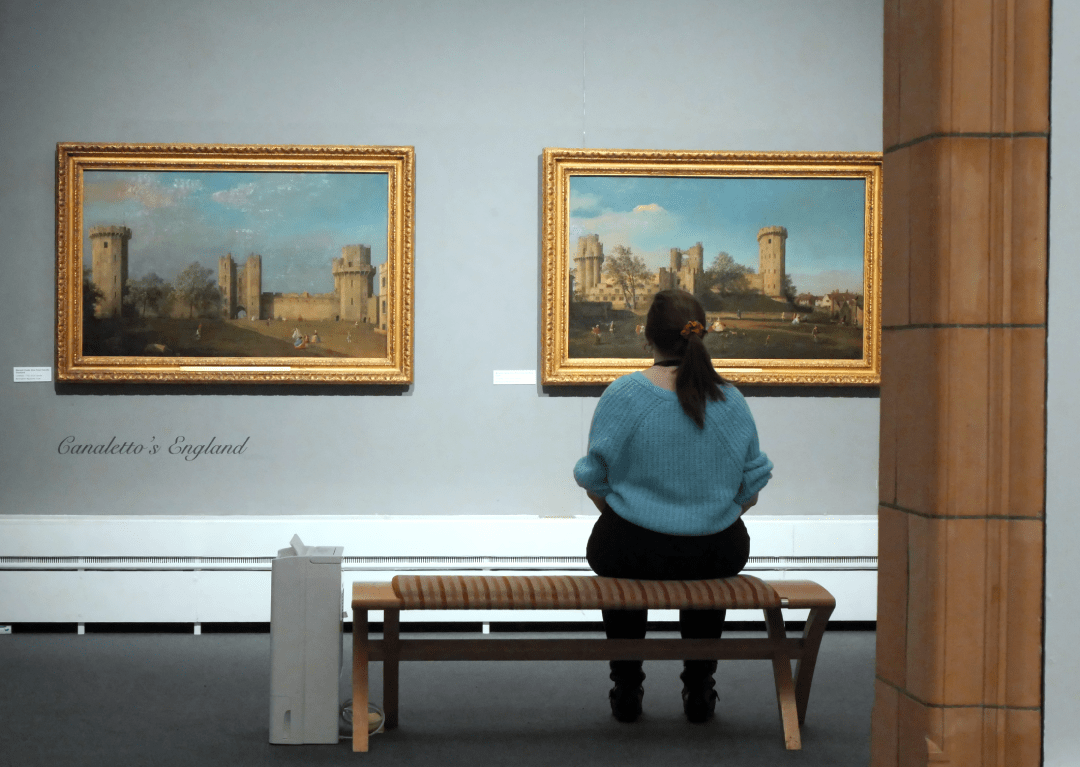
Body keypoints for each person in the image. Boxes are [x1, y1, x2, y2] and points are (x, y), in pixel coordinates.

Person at [574, 289, 772, 725]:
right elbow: (752, 488)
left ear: (648, 338)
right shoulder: (730, 400)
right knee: (710, 562)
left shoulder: (624, 395)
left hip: (630, 547)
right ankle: (700, 686)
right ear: (702, 335)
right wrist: (709, 517)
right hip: (716, 549)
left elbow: (593, 478)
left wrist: (631, 517)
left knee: (618, 556)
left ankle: (626, 686)